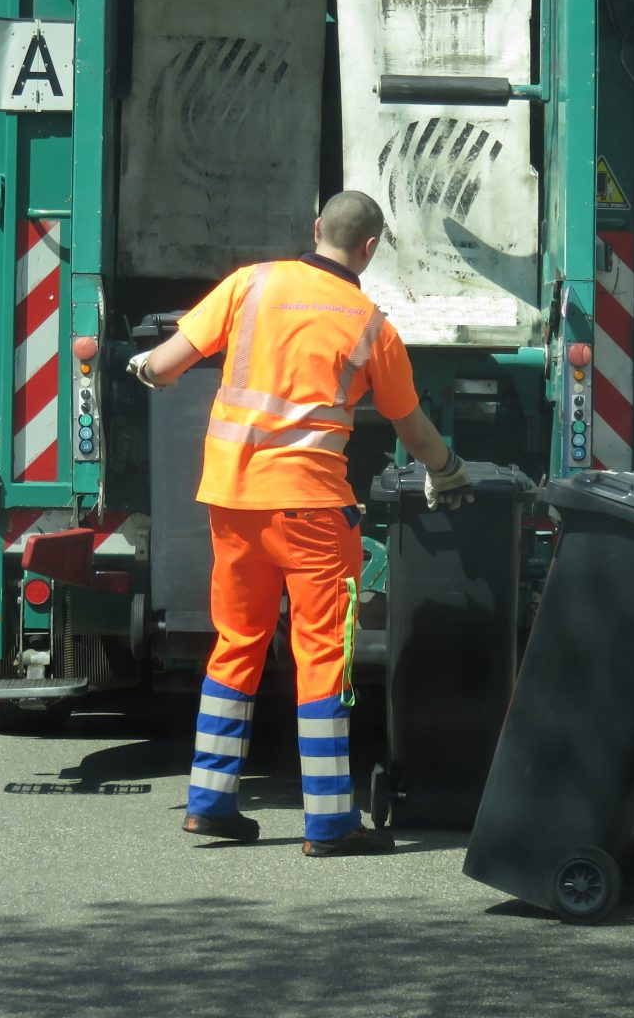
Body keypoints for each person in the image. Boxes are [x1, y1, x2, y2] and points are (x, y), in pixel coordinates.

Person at [131, 190, 474, 858]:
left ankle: (210, 804)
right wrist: (449, 469)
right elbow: (413, 426)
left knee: (237, 644)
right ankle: (329, 824)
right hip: (313, 513)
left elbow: (164, 366)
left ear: (316, 229)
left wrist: (141, 367)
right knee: (323, 658)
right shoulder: (371, 324)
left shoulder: (248, 285)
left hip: (232, 503)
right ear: (370, 248)